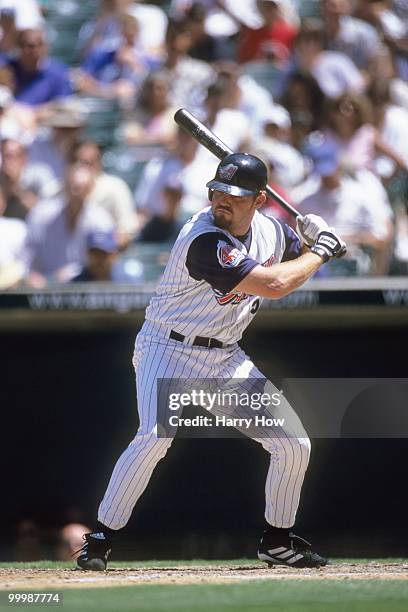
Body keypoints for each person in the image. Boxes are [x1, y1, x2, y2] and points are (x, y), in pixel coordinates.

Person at [76, 152, 346, 571]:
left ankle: (277, 540)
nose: (222, 200)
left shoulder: (272, 230)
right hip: (168, 348)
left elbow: (295, 258)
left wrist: (312, 235)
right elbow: (275, 284)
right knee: (154, 436)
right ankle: (99, 539)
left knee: (294, 445)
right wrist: (322, 251)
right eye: (218, 191)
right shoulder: (204, 239)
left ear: (258, 201)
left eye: (235, 196)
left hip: (225, 357)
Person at [23, 164, 113, 288]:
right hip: (44, 285)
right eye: (74, 188)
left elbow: (104, 267)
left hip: (84, 285)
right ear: (65, 187)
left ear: (90, 190)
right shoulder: (40, 216)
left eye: (83, 189)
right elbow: (29, 257)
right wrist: (34, 276)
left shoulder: (101, 220)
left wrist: (74, 273)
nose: (78, 194)